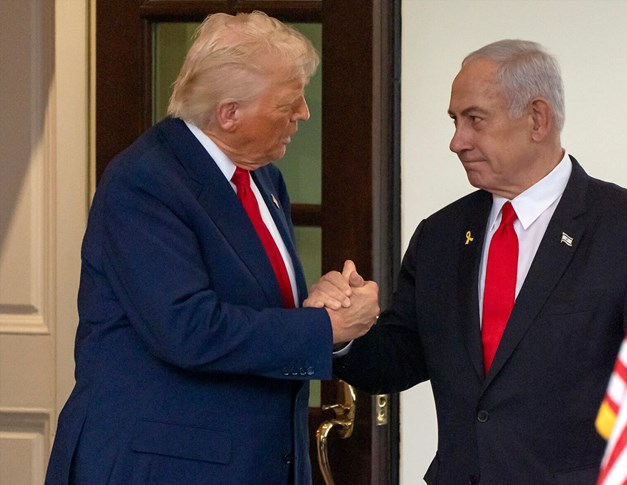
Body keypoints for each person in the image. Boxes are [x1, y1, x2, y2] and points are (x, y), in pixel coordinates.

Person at [329, 40, 627, 484]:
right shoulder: (441, 236)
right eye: (454, 121)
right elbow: (400, 358)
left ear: (537, 119)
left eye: (475, 120)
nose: (456, 141)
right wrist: (341, 334)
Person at [45, 11, 378, 485]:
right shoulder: (144, 182)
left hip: (251, 462)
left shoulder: (263, 176)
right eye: (289, 101)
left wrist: (322, 304)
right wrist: (323, 329)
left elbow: (253, 307)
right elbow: (187, 328)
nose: (303, 112)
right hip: (163, 466)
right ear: (229, 113)